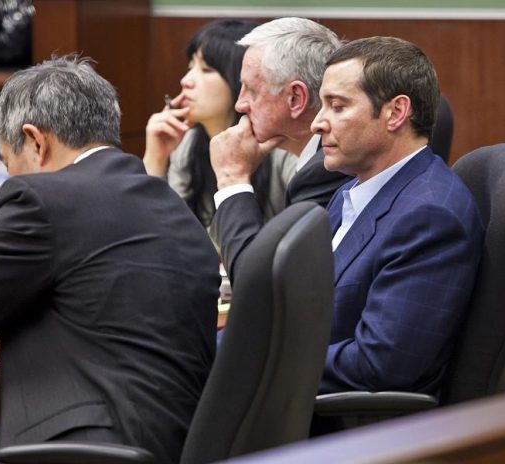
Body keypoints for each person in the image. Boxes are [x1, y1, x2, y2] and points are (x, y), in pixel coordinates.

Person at [0, 55, 220, 464]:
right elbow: (120, 311)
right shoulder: (168, 204)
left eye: (10, 166)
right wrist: (32, 337)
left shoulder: (43, 200)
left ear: (36, 142)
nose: (11, 181)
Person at [312, 37, 484, 394]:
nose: (317, 123)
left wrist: (260, 362)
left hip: (345, 430)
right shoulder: (351, 191)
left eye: (338, 106)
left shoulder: (430, 216)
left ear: (395, 113)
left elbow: (380, 364)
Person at [208, 17, 351, 283]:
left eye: (250, 90)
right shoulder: (318, 158)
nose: (240, 105)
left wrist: (232, 178)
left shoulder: (327, 170)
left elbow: (259, 283)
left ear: (296, 99)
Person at [143, 19, 296, 228]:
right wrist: (155, 160)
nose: (186, 80)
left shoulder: (281, 146)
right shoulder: (188, 143)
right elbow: (163, 233)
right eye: (190, 67)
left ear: (241, 80)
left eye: (206, 70)